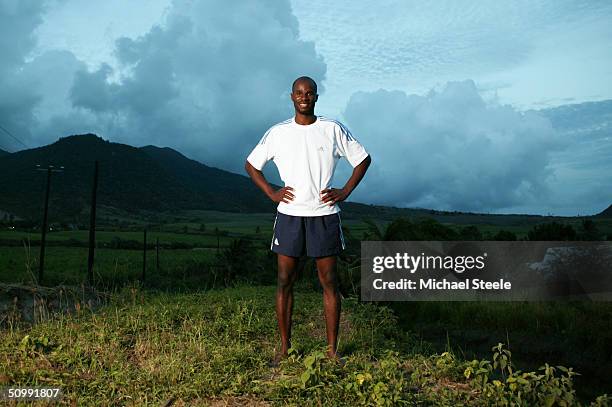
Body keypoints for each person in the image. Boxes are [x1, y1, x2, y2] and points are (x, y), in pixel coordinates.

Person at [245, 76, 371, 366]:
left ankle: (332, 350)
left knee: (329, 282)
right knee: (284, 281)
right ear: (292, 97)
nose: (304, 97)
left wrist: (345, 191)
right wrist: (271, 192)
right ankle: (284, 349)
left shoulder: (332, 129)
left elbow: (362, 159)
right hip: (289, 216)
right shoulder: (278, 133)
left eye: (309, 93)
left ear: (316, 97)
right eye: (299, 93)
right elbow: (252, 164)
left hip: (324, 216)